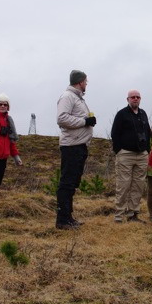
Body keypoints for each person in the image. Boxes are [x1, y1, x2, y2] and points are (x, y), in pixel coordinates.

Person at [55, 70, 96, 229]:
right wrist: (85, 121)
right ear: (80, 82)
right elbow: (61, 118)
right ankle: (62, 220)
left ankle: (68, 217)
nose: (86, 84)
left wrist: (88, 120)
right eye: (85, 81)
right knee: (67, 183)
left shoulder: (78, 98)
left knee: (72, 183)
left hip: (79, 145)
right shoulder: (67, 96)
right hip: (71, 146)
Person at [111, 89, 151, 222]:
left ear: (140, 99)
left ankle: (132, 214)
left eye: (137, 97)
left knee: (138, 186)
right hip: (125, 155)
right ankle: (119, 215)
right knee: (123, 185)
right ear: (127, 99)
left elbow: (148, 133)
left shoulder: (143, 114)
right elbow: (114, 133)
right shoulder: (121, 114)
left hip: (142, 155)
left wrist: (147, 150)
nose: (135, 99)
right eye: (132, 97)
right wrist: (119, 151)